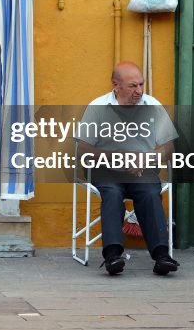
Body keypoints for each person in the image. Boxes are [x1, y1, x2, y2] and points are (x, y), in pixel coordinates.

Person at [75, 61, 180, 276]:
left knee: (151, 192)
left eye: (141, 85)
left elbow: (169, 146)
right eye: (133, 86)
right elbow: (83, 149)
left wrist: (147, 159)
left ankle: (162, 257)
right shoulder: (98, 107)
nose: (139, 91)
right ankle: (113, 256)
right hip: (106, 170)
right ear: (116, 85)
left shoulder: (152, 105)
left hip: (143, 170)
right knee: (112, 193)